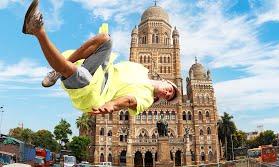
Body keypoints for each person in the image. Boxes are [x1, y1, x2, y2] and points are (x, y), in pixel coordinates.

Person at [22, 0, 178, 115]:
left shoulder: (147, 99)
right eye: (171, 90)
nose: (168, 93)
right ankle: (56, 72)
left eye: (169, 97)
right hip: (102, 72)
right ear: (166, 81)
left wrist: (112, 104)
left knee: (78, 74)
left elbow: (130, 100)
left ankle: (37, 30)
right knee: (105, 38)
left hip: (97, 93)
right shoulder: (141, 69)